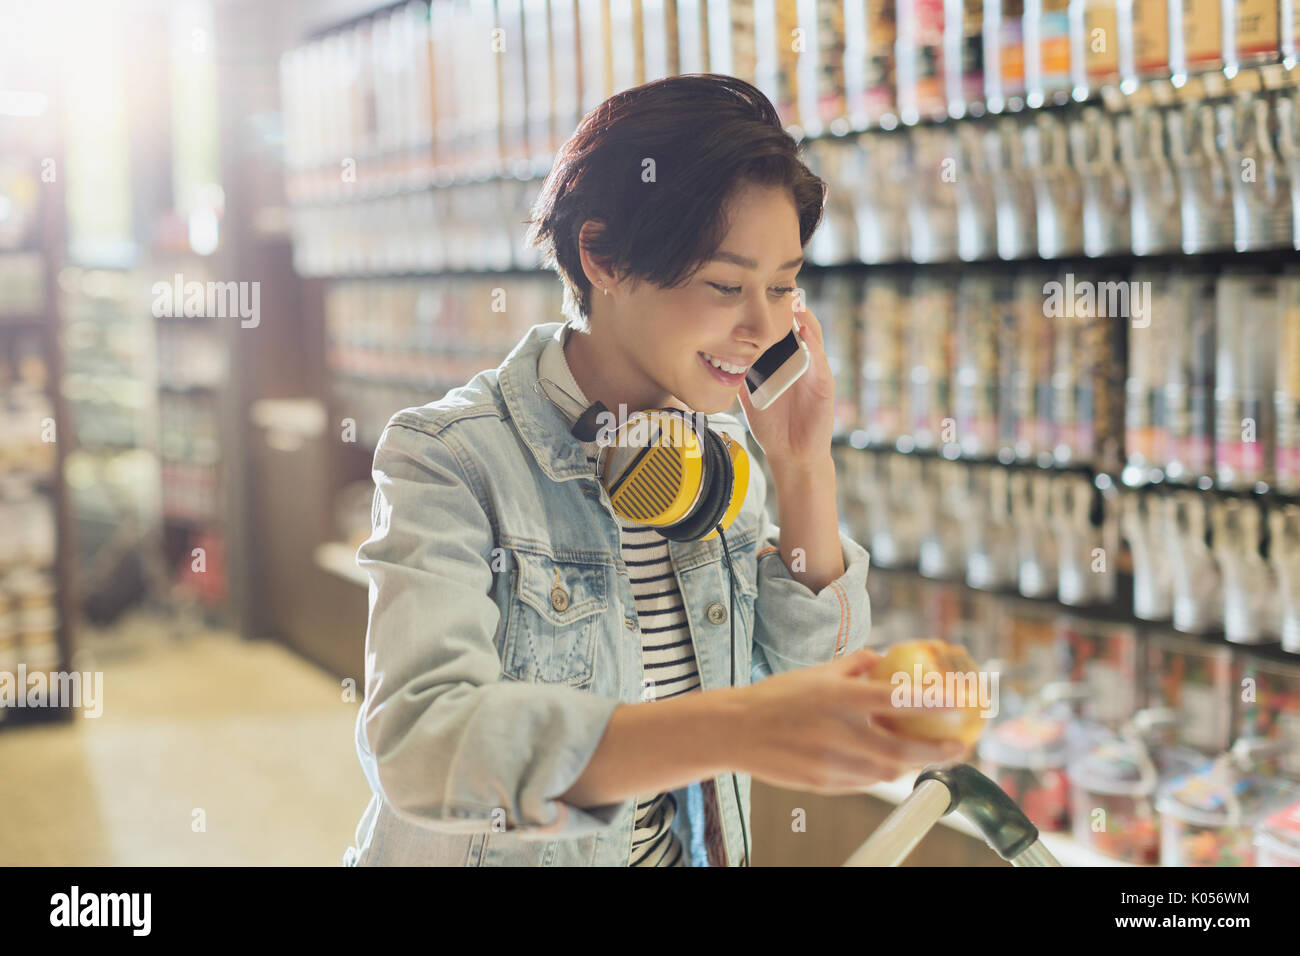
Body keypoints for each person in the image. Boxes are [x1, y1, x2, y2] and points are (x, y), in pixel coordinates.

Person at [343, 74, 967, 867]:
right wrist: (736, 727)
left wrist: (803, 465)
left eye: (783, 287)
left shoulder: (711, 460)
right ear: (599, 254)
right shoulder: (451, 459)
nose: (764, 327)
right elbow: (421, 747)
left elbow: (811, 675)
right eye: (725, 285)